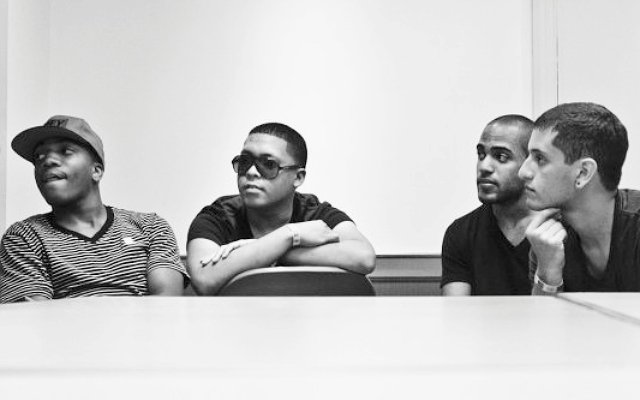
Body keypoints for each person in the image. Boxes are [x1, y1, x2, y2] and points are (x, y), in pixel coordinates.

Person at [0, 115, 188, 303]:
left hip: (144, 324)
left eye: (65, 151)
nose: (47, 161)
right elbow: (33, 315)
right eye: (38, 156)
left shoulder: (150, 227)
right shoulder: (23, 237)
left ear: (96, 171)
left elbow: (165, 305)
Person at [186, 122, 376, 295]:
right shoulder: (218, 216)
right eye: (244, 162)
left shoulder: (315, 213)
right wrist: (290, 235)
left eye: (269, 164)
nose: (251, 172)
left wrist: (267, 250)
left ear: (298, 177)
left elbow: (364, 258)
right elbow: (204, 279)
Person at [518, 102, 639, 294]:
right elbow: (543, 315)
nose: (523, 172)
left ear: (583, 173)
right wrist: (548, 272)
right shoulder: (548, 240)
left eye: (540, 159)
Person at [441, 115, 536, 295]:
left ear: (530, 166)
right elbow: (456, 309)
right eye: (481, 155)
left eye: (501, 157)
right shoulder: (461, 232)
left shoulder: (563, 230)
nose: (484, 167)